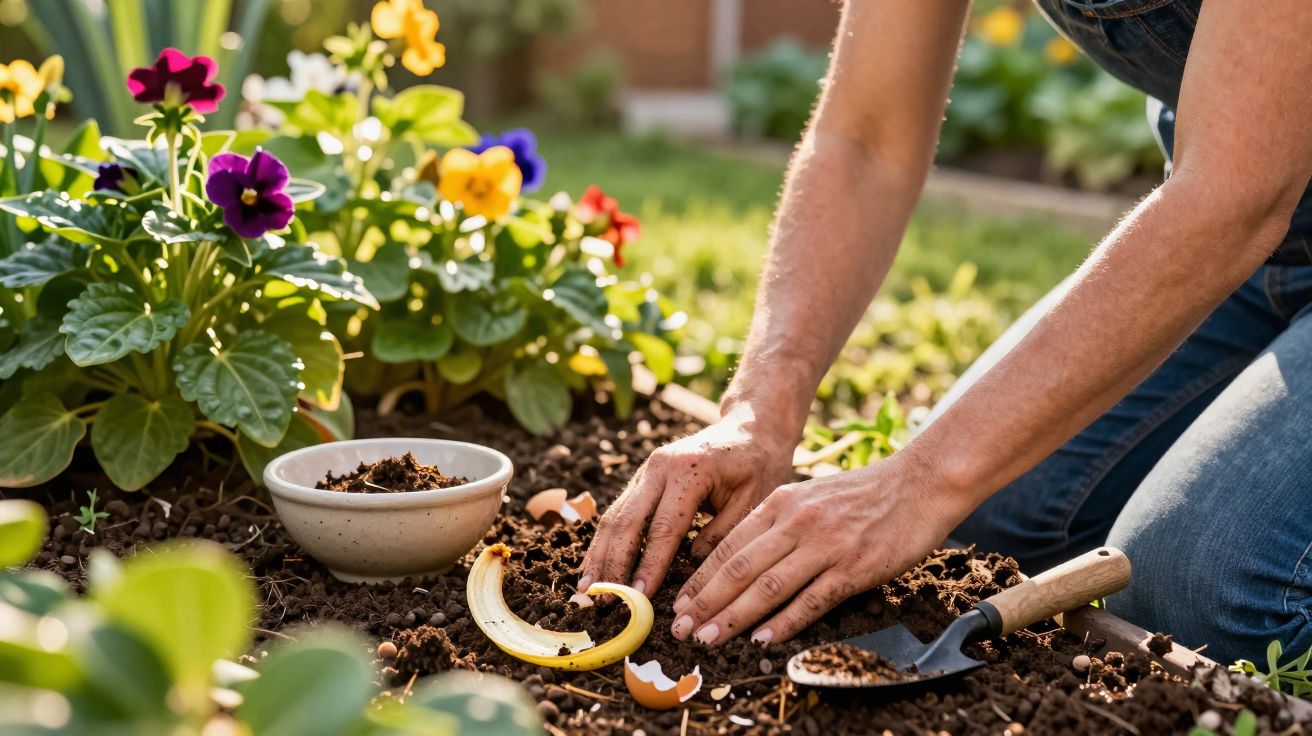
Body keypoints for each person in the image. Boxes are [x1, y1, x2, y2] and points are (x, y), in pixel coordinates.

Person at [578, 0, 1312, 665]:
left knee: (1209, 595)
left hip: (1234, 204)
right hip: (1252, 241)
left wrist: (919, 481)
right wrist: (759, 406)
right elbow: (865, 138)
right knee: (995, 520)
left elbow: (1232, 196)